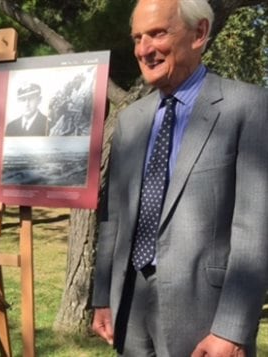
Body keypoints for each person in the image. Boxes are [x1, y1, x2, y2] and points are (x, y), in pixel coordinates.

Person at [91, 0, 268, 356]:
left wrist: (231, 331)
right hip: (130, 306)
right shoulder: (131, 122)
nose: (144, 49)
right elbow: (114, 218)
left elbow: (256, 228)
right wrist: (102, 298)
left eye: (158, 33)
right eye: (138, 37)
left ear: (199, 33)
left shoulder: (248, 107)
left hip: (206, 316)